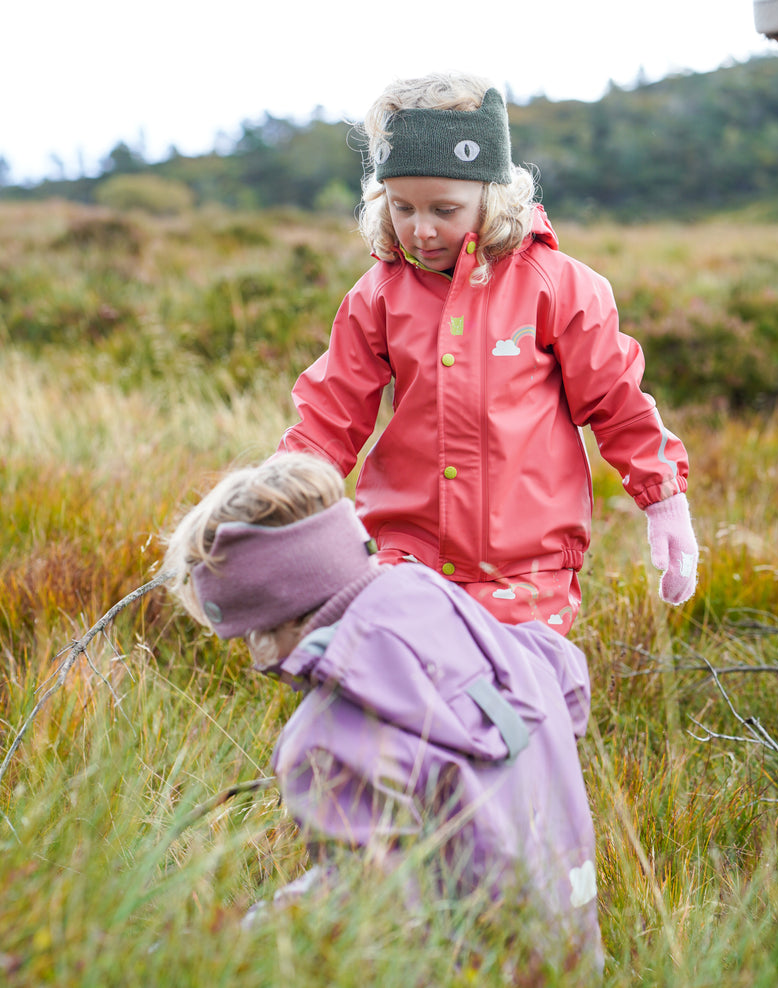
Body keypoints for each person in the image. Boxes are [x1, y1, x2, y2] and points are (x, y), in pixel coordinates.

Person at [275, 72, 698, 634]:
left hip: (529, 568)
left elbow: (617, 404)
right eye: (402, 207)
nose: (420, 230)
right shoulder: (376, 295)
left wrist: (663, 500)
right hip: (405, 556)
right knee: (407, 707)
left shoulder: (559, 286)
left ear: (491, 193)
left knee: (511, 711)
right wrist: (277, 500)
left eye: (444, 210)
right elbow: (330, 416)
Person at [162, 452, 603, 973]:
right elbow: (566, 678)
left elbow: (362, 907)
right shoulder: (467, 620)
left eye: (247, 639)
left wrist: (206, 953)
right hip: (569, 963)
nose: (256, 660)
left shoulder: (325, 739)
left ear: (270, 619)